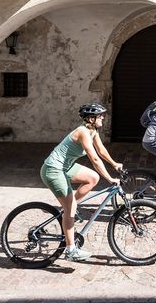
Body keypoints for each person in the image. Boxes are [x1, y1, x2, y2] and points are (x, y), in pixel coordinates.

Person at [40, 103, 123, 262]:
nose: (103, 118)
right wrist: (110, 178)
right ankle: (71, 250)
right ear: (91, 119)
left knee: (92, 178)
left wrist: (114, 164)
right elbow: (95, 159)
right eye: (100, 116)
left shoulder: (93, 131)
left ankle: (70, 207)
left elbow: (102, 151)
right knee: (70, 208)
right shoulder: (83, 132)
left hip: (65, 167)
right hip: (53, 170)